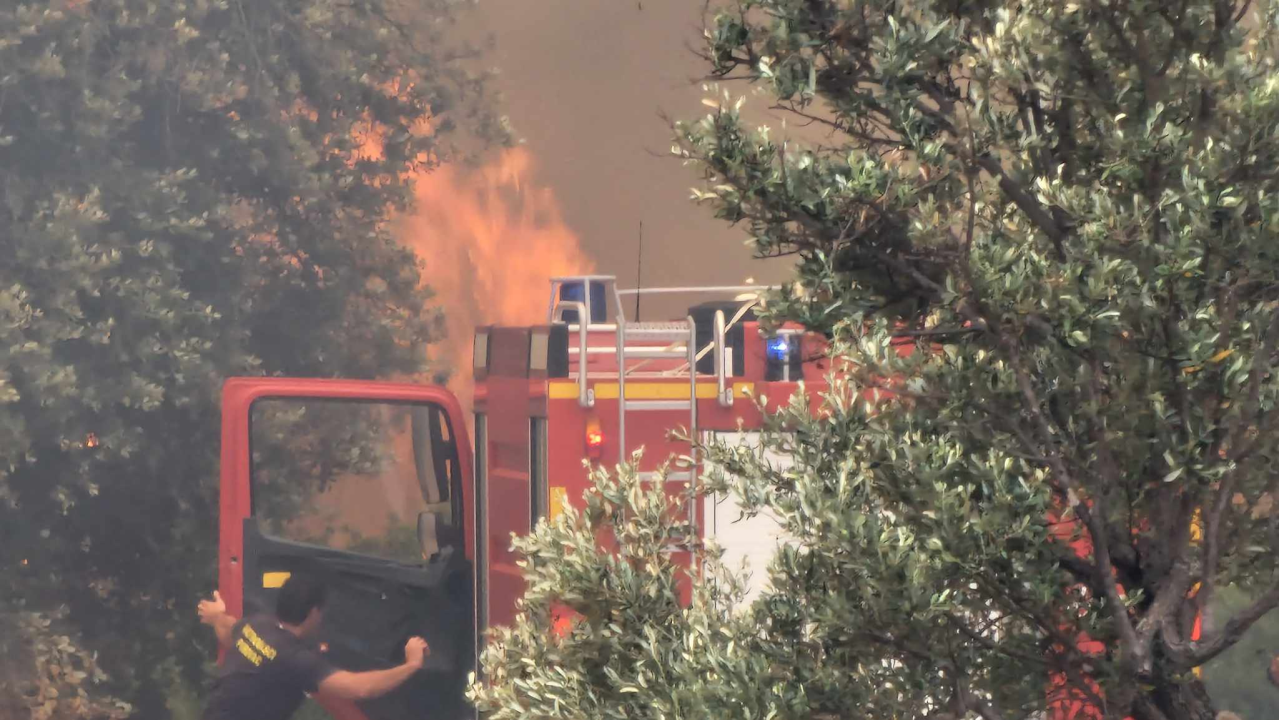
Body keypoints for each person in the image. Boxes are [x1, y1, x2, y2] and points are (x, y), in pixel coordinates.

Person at [198, 575, 429, 720]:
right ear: (313, 613)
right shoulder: (295, 659)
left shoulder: (256, 626)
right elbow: (359, 689)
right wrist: (411, 665)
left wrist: (216, 615)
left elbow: (228, 631)